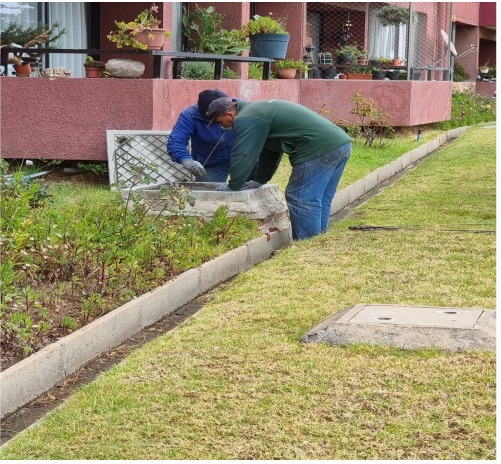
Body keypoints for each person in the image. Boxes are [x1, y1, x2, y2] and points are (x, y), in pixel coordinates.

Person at [206, 97, 352, 240]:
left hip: (319, 148)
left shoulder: (246, 118)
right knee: (320, 198)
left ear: (229, 114)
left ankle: (307, 246)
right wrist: (259, 180)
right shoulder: (258, 112)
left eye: (220, 121)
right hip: (340, 144)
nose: (222, 126)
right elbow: (270, 152)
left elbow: (243, 153)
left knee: (301, 197)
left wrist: (233, 186)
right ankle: (318, 243)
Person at [166, 89, 235, 182]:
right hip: (212, 163)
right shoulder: (189, 115)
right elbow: (176, 141)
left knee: (253, 190)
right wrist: (187, 161)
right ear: (207, 112)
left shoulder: (239, 107)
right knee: (207, 194)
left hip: (243, 158)